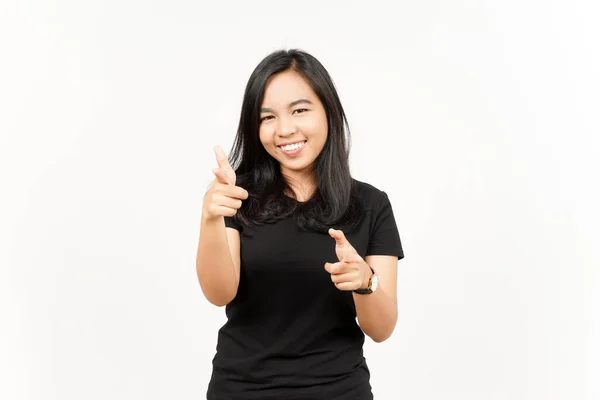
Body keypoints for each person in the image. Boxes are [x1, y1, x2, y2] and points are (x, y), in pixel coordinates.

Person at [196, 49, 404, 400]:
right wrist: (210, 218)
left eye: (299, 110)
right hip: (243, 390)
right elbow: (219, 294)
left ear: (328, 111)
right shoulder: (235, 195)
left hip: (340, 391)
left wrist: (364, 282)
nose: (285, 129)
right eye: (267, 117)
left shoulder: (371, 204)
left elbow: (381, 329)